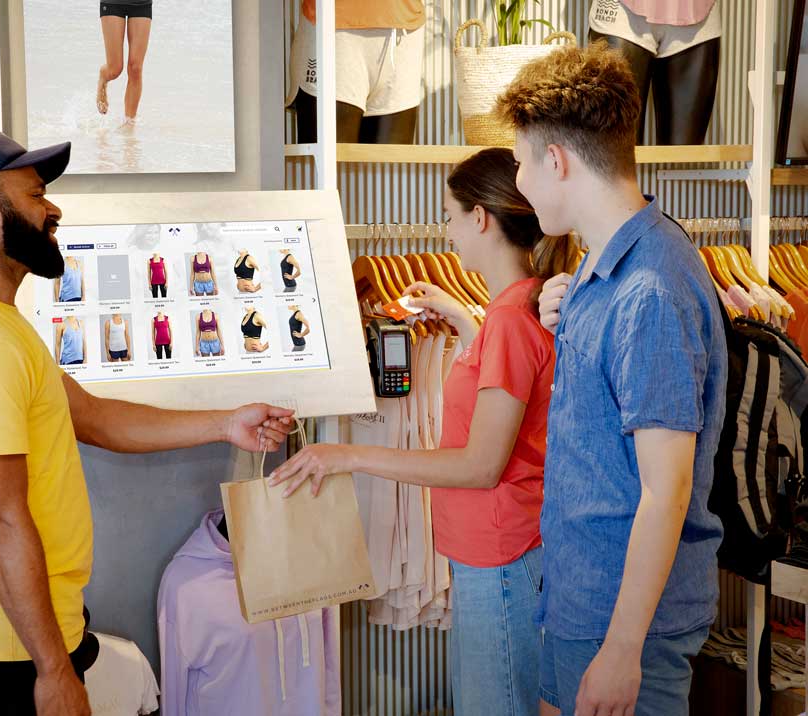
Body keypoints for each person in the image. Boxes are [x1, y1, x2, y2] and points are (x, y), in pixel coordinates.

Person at [0, 129, 293, 716]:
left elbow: (92, 417)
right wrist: (53, 671)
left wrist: (227, 423)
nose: (52, 208)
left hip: (19, 632)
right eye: (36, 194)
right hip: (6, 648)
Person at [269, 147, 577, 716]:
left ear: (480, 218)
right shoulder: (513, 308)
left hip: (500, 558)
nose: (449, 233)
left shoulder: (511, 320)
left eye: (450, 217)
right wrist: (460, 317)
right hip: (496, 554)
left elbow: (479, 465)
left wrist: (349, 457)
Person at [496, 43, 727, 716]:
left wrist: (623, 648)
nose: (519, 184)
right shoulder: (607, 265)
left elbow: (668, 486)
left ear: (557, 161)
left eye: (520, 164)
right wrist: (564, 309)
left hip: (627, 625)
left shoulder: (650, 289)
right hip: (583, 602)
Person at [96, 1, 153, 130]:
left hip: (141, 3)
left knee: (135, 67)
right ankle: (103, 77)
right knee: (114, 69)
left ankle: (129, 125)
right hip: (113, 2)